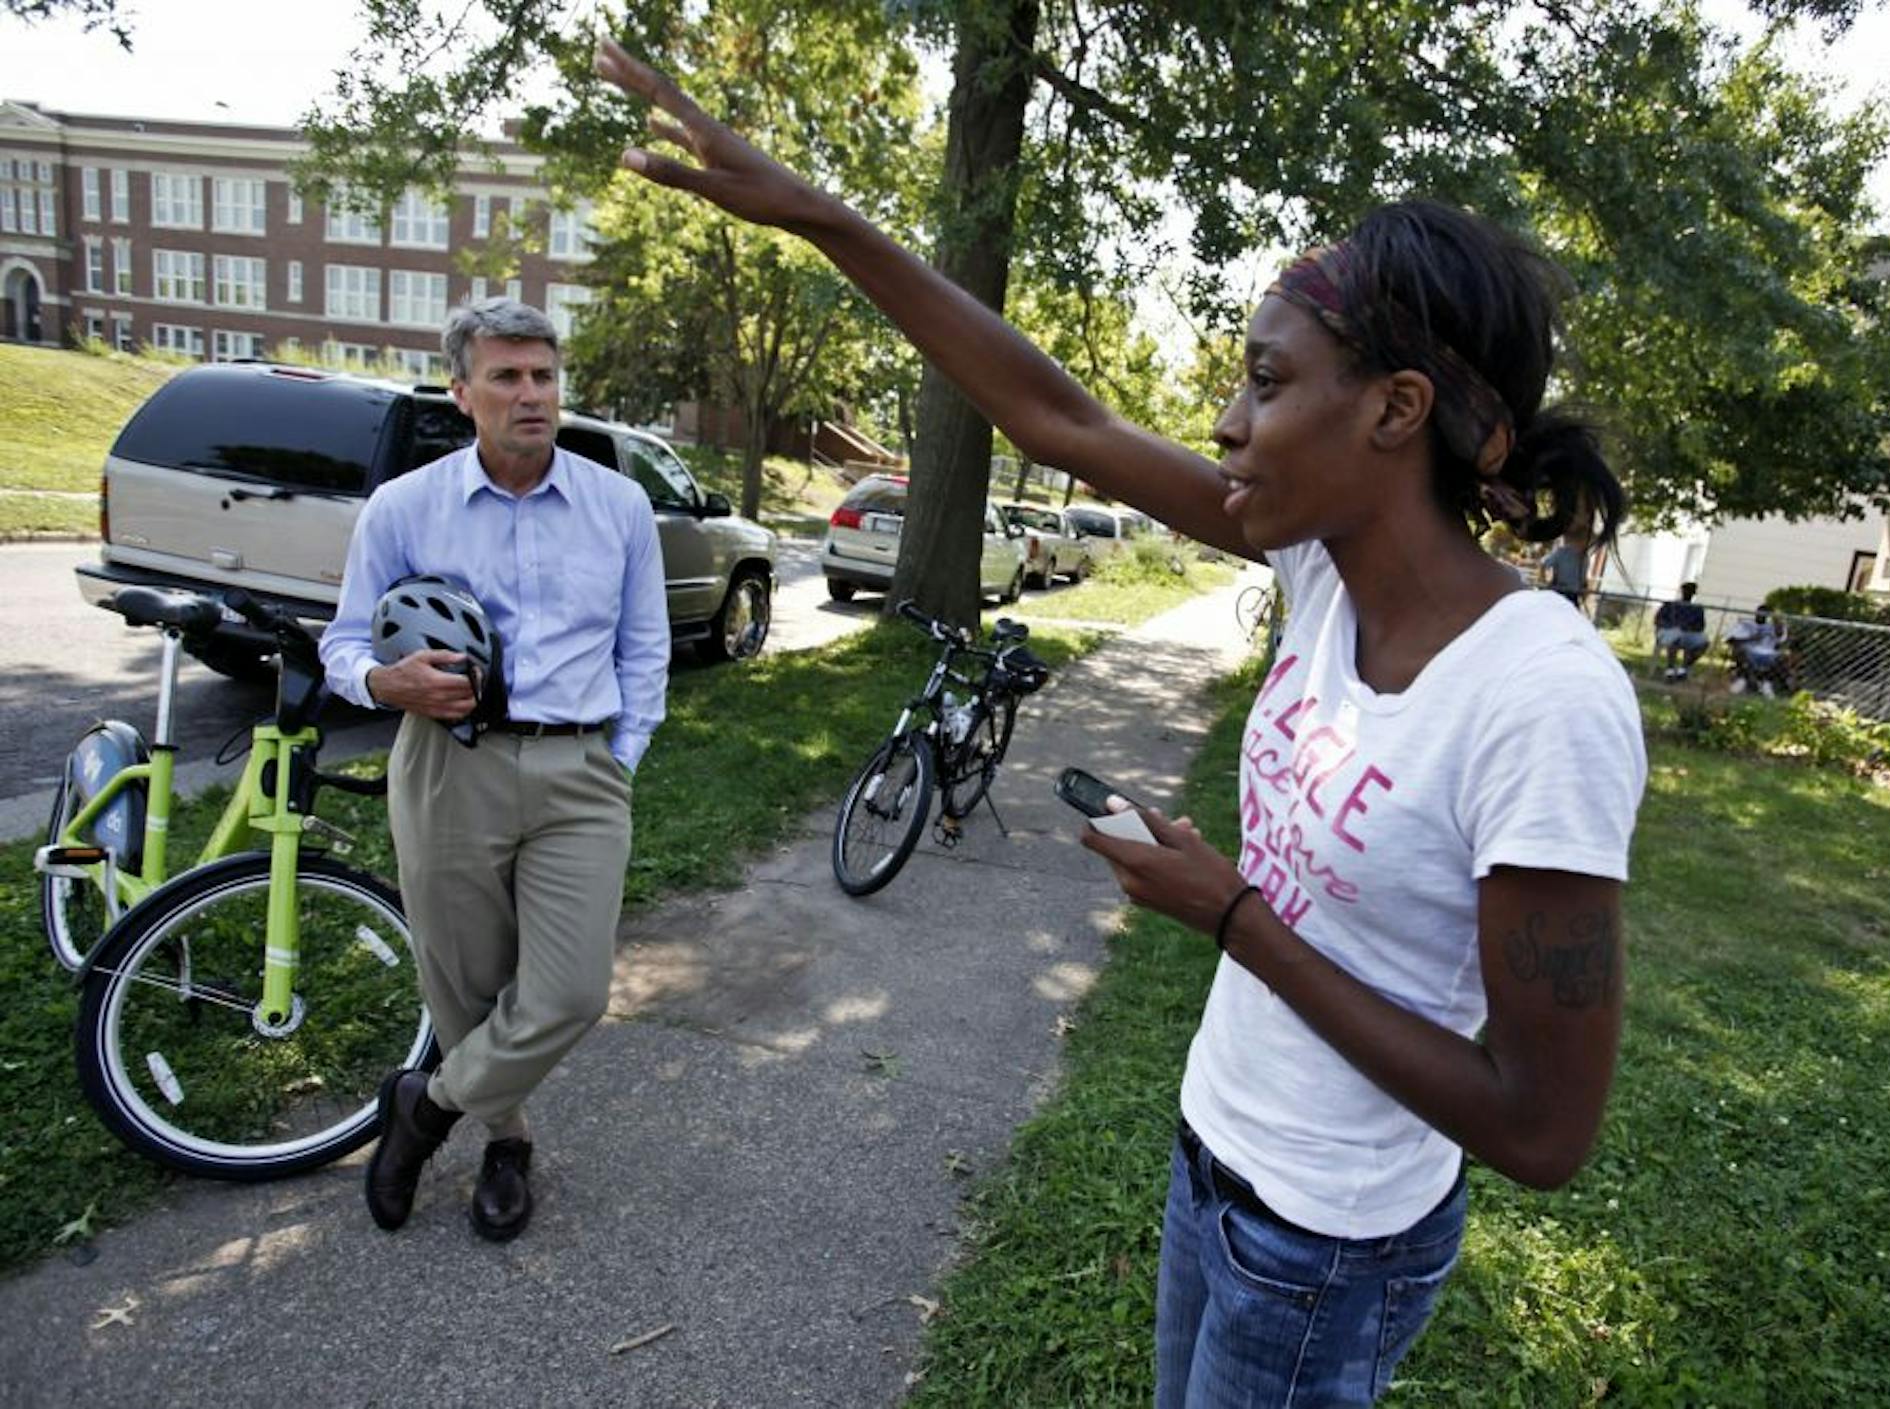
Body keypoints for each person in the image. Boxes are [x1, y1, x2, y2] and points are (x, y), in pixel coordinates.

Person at [595, 37, 1644, 1403]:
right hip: (1216, 1154)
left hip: (1327, 1242)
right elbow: (1057, 415)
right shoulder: (1321, 568)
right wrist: (824, 216)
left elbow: (1542, 1125)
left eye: (1267, 382)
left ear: (1397, 410)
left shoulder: (1542, 696)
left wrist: (1231, 916)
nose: (1225, 419)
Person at [319, 297, 670, 1242]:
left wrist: (619, 757)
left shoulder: (619, 505)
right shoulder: (405, 507)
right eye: (507, 376)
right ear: (461, 390)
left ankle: (422, 1110)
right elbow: (343, 643)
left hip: (580, 770)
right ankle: (506, 1140)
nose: (531, 394)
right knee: (465, 986)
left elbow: (646, 651)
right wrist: (385, 681)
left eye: (543, 375)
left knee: (570, 991)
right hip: (448, 767)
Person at [1725, 605, 1789, 697]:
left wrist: (1777, 622)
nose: (1763, 616)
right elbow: (1730, 640)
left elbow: (1780, 637)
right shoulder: (1746, 624)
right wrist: (1752, 638)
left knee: (1783, 656)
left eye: (1767, 614)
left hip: (1768, 654)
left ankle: (1766, 683)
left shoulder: (1774, 627)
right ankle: (1743, 680)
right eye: (1760, 613)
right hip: (1749, 651)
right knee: (1741, 651)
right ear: (1756, 613)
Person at [1653, 581, 1710, 681]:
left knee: (1704, 642)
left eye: (1691, 592)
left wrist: (1689, 628)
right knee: (1675, 636)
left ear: (1694, 594)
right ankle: (1670, 669)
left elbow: (1700, 626)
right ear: (1682, 591)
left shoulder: (1697, 609)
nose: (1688, 593)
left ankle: (1683, 669)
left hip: (1688, 634)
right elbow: (1658, 620)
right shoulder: (1670, 605)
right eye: (1686, 591)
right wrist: (1671, 626)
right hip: (1668, 632)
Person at [1541, 526, 1590, 606]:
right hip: (1559, 592)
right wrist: (1543, 582)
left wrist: (1584, 593)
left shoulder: (1585, 557)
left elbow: (1583, 579)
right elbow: (1543, 563)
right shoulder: (1562, 552)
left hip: (1573, 595)